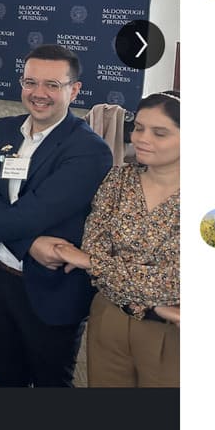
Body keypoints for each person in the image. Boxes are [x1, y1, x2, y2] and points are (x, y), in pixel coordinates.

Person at [0, 44, 112, 387]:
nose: (38, 93)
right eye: (30, 82)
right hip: (0, 278)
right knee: (5, 375)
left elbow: (34, 213)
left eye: (52, 84)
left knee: (51, 381)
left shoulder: (89, 149)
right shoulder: (3, 129)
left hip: (53, 288)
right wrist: (30, 243)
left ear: (74, 89)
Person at [44, 91, 181, 387]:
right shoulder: (118, 180)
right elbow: (94, 245)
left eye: (159, 133)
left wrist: (91, 263)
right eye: (139, 128)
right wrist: (154, 301)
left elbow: (177, 279)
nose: (142, 138)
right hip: (111, 316)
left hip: (172, 329)